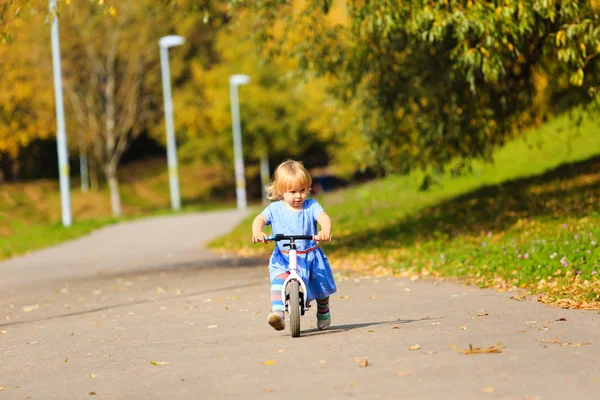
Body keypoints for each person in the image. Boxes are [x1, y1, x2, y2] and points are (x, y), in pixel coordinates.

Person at [252, 159, 337, 331]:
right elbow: (259, 219)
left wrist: (325, 230)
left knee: (321, 288)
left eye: (303, 190)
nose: (298, 196)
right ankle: (278, 314)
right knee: (278, 281)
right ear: (280, 191)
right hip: (283, 256)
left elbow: (323, 217)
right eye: (292, 191)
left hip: (310, 255)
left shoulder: (311, 206)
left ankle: (323, 310)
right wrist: (258, 232)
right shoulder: (274, 209)